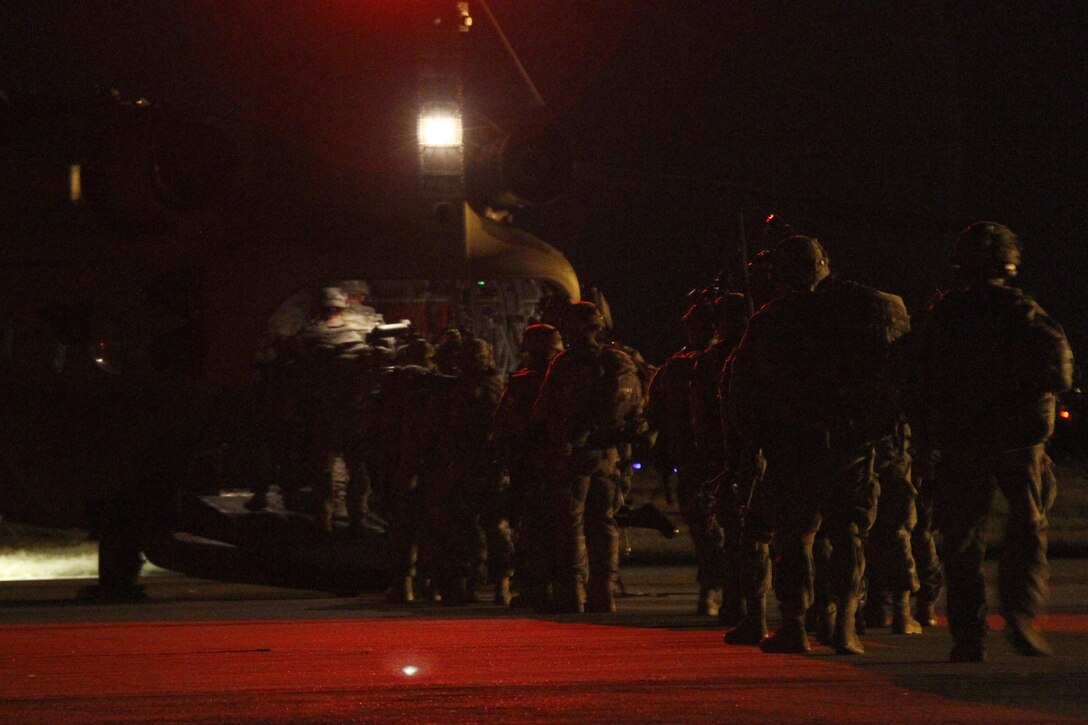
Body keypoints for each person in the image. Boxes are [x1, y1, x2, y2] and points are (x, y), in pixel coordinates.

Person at [726, 235, 906, 655]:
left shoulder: (773, 319)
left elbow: (742, 391)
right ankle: (844, 626)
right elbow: (899, 371)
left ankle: (794, 625)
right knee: (847, 536)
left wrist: (750, 446)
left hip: (795, 446)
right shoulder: (868, 308)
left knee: (796, 537)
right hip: (849, 444)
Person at [913, 221, 1073, 662]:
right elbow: (1059, 371)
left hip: (962, 440)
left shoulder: (943, 315)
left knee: (962, 538)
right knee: (1028, 525)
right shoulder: (1021, 310)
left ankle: (968, 635)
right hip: (1016, 441)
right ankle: (1020, 614)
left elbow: (918, 377)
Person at [535, 301, 643, 613]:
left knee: (571, 522)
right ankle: (603, 592)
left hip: (575, 454)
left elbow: (542, 410)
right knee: (604, 522)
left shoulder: (566, 363)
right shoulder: (620, 361)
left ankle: (572, 591)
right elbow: (635, 412)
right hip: (609, 455)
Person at [646, 302, 716, 614]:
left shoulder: (734, 357)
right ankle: (714, 588)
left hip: (722, 457)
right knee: (706, 527)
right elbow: (657, 413)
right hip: (699, 457)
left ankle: (719, 589)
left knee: (716, 528)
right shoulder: (677, 367)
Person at [494, 323, 565, 610]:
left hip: (539, 463)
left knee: (536, 529)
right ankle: (564, 589)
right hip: (549, 463)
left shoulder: (530, 382)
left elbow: (505, 423)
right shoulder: (563, 377)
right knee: (560, 528)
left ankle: (539, 588)